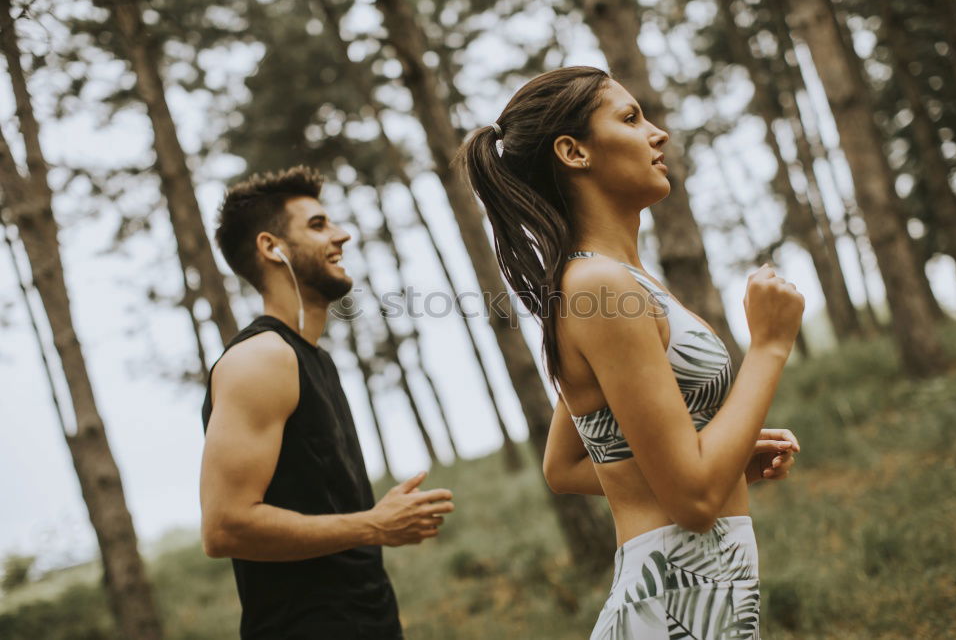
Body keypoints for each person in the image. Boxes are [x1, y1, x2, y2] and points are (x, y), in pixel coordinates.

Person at [458, 66, 803, 639]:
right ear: (574, 152)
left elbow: (565, 466)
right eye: (630, 118)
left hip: (700, 594)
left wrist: (728, 464)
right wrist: (769, 346)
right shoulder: (601, 288)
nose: (658, 133)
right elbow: (692, 500)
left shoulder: (619, 281)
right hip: (674, 599)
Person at [199, 166, 455, 639]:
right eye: (318, 225)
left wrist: (371, 526)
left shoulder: (312, 359)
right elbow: (225, 528)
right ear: (270, 247)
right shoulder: (259, 360)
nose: (343, 234)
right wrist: (373, 525)